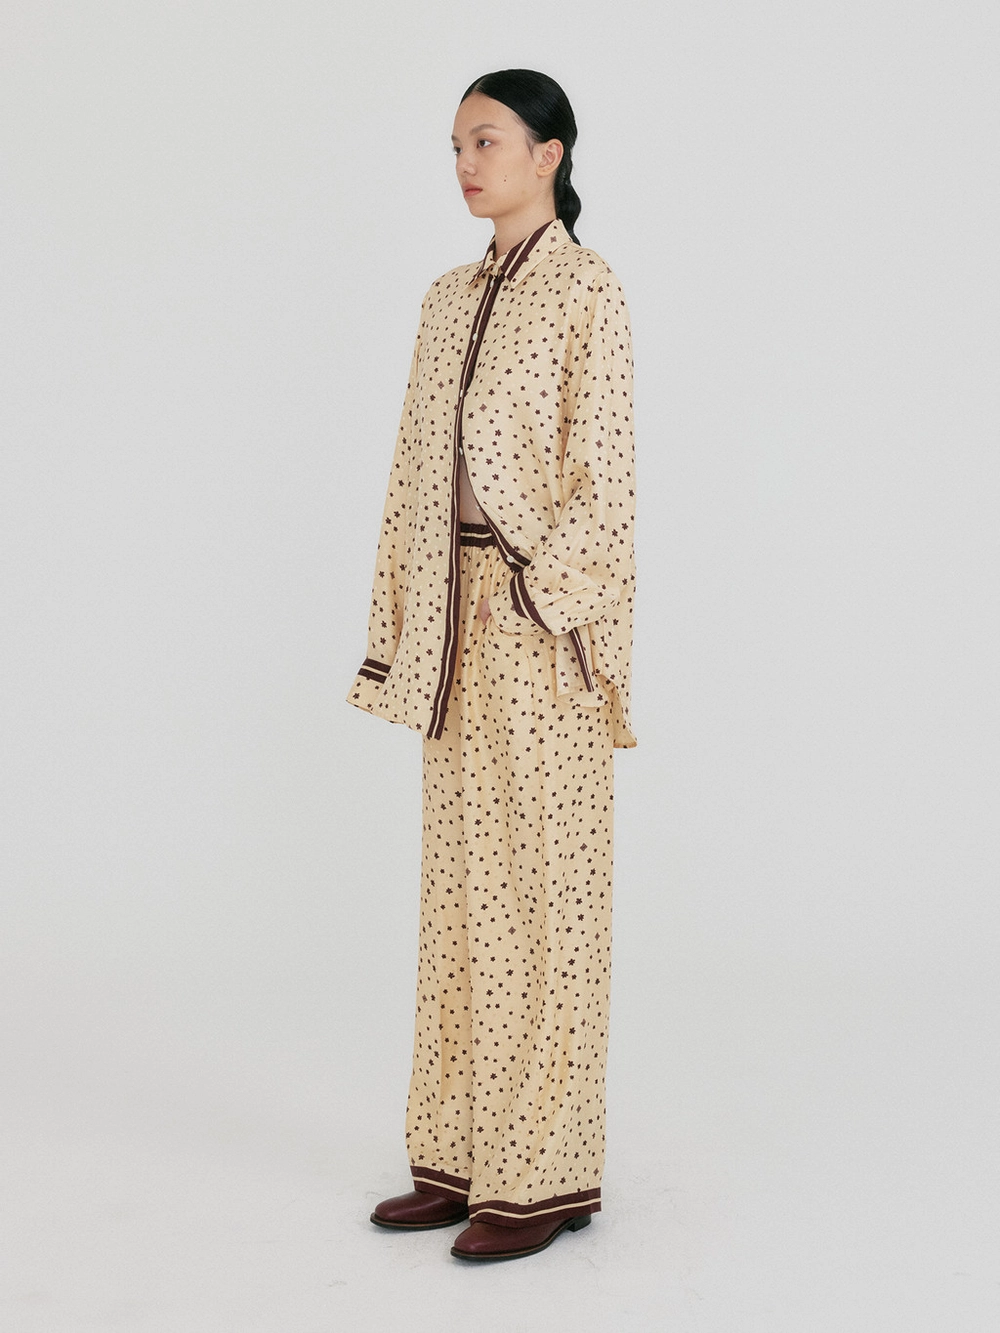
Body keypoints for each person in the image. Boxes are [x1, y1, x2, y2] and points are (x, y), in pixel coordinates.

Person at [347, 68, 636, 1262]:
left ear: (548, 153)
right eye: (456, 145)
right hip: (452, 629)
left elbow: (605, 481)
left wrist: (538, 595)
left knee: (548, 894)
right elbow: (412, 475)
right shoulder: (445, 297)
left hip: (538, 627)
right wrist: (402, 624)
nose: (466, 164)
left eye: (487, 141)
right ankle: (460, 1156)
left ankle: (547, 1173)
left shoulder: (587, 289)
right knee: (460, 896)